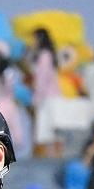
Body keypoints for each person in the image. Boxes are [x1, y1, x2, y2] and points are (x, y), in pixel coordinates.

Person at [28, 28, 62, 158]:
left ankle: (50, 159)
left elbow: (42, 79)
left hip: (46, 99)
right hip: (51, 97)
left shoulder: (44, 55)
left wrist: (36, 99)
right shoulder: (48, 54)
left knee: (47, 132)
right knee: (50, 132)